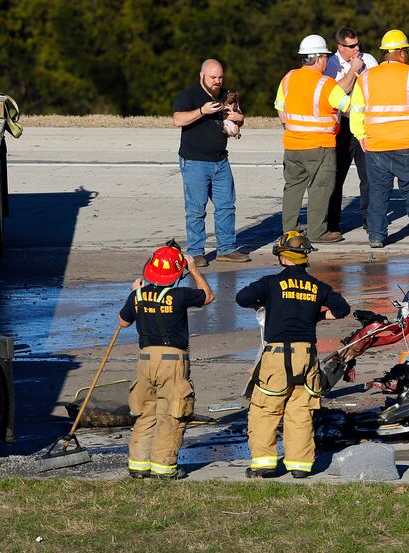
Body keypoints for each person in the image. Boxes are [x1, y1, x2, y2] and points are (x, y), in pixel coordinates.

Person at [236, 231, 350, 478]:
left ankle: (264, 464)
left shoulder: (270, 283)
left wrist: (265, 303)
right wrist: (317, 315)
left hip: (277, 355)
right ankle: (299, 466)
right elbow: (342, 309)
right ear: (304, 257)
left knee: (265, 409)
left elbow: (242, 297)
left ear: (282, 258)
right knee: (300, 411)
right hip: (307, 356)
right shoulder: (317, 286)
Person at [119, 240, 215, 479]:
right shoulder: (180, 295)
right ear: (177, 272)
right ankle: (164, 467)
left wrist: (134, 295)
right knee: (172, 413)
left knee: (145, 412)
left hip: (145, 360)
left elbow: (123, 322)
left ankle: (139, 465)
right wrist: (193, 269)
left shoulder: (138, 295)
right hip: (173, 360)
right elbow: (207, 296)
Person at [350, 29, 409, 248]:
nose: (407, 55)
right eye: (406, 51)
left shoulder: (366, 77)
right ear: (400, 53)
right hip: (408, 144)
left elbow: (356, 110)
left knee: (378, 192)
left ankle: (376, 237)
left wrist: (360, 135)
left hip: (377, 145)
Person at [173, 59, 250, 267]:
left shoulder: (227, 94)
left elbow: (239, 122)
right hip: (195, 161)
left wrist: (238, 117)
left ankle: (226, 249)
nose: (217, 81)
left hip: (220, 160)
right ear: (202, 76)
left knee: (226, 206)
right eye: (213, 77)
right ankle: (196, 251)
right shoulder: (190, 95)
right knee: (196, 209)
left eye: (220, 77)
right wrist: (202, 111)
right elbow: (177, 120)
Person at [275, 35, 351, 243]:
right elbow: (349, 106)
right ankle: (318, 232)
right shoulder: (327, 84)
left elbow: (280, 108)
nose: (327, 61)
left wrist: (292, 129)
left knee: (292, 188)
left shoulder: (288, 78)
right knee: (320, 188)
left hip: (292, 144)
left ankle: (289, 231)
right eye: (325, 57)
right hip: (321, 146)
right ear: (318, 59)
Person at [324, 27, 378, 233]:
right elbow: (335, 93)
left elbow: (375, 89)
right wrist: (353, 71)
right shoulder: (331, 64)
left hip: (364, 124)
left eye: (358, 44)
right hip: (342, 125)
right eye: (351, 46)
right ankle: (332, 223)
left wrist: (361, 70)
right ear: (340, 47)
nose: (357, 49)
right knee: (336, 176)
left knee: (369, 177)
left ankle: (369, 219)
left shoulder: (369, 60)